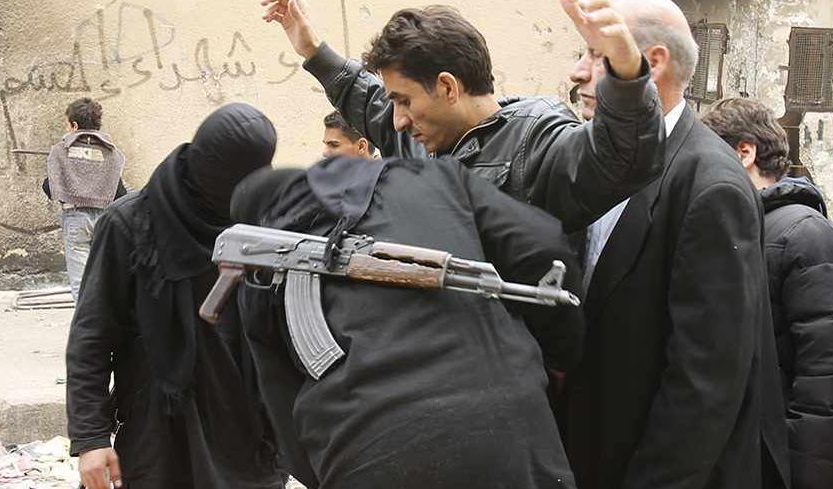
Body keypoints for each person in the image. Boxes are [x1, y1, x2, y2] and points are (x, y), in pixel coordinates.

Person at [232, 154, 585, 489]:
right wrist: (556, 360)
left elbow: (280, 405)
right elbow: (543, 247)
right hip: (514, 434)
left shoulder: (258, 278)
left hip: (366, 455)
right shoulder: (436, 178)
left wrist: (333, 469)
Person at [561, 1, 790, 488]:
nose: (577, 73)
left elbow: (704, 385)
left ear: (654, 62)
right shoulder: (593, 162)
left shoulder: (711, 185)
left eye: (594, 54)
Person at [260, 0, 664, 232]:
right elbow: (371, 102)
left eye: (405, 101)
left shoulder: (535, 139)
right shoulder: (426, 135)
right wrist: (313, 50)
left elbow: (620, 159)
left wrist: (626, 76)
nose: (398, 121)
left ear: (449, 88)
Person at [65, 103, 286, 489]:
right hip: (160, 428)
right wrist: (91, 439)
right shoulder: (129, 225)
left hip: (248, 430)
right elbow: (92, 337)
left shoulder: (262, 226)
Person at [702, 97, 833, 489]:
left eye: (707, 157)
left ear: (745, 153)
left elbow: (830, 377)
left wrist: (800, 477)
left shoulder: (804, 233)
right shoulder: (740, 229)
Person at [44, 98, 126, 301]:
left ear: (74, 125)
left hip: (75, 219)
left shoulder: (61, 150)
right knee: (104, 274)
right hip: (106, 220)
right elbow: (120, 193)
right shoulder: (112, 153)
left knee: (80, 282)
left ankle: (86, 325)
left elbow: (49, 187)